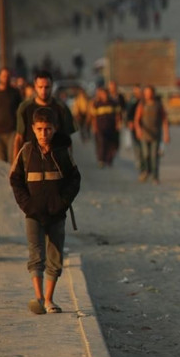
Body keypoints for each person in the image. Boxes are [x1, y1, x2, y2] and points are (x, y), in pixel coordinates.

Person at [10, 107, 81, 315]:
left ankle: (49, 299)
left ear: (54, 129)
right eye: (39, 129)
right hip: (33, 214)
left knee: (55, 257)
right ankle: (39, 297)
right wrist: (27, 205)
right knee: (36, 256)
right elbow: (15, 180)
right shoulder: (26, 152)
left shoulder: (62, 152)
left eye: (48, 129)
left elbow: (75, 180)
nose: (43, 134)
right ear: (33, 128)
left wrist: (62, 202)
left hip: (57, 215)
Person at [14, 71, 76, 160]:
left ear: (52, 86)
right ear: (35, 86)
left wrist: (69, 163)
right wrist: (15, 164)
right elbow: (19, 138)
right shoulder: (25, 108)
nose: (43, 91)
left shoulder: (61, 108)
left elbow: (68, 140)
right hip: (31, 158)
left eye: (47, 87)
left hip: (55, 159)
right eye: (40, 87)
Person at [134, 86, 170, 184]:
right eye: (146, 92)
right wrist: (138, 130)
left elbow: (164, 120)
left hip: (156, 134)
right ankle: (146, 171)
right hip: (144, 134)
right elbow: (137, 119)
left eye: (149, 92)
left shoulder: (158, 105)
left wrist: (166, 133)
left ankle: (155, 176)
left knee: (154, 156)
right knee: (145, 155)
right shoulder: (142, 104)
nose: (148, 94)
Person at [0, 67, 22, 162]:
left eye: (7, 76)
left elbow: (20, 110)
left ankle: (11, 177)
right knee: (1, 160)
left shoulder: (15, 92)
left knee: (13, 159)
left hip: (12, 130)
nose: (5, 78)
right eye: (3, 76)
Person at [91, 87, 120, 168]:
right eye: (103, 94)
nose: (105, 96)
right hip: (100, 128)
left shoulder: (113, 103)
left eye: (106, 94)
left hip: (111, 127)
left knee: (111, 144)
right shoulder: (97, 104)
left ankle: (109, 160)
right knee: (101, 143)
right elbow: (93, 117)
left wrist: (118, 124)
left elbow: (118, 115)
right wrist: (94, 127)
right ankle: (101, 160)